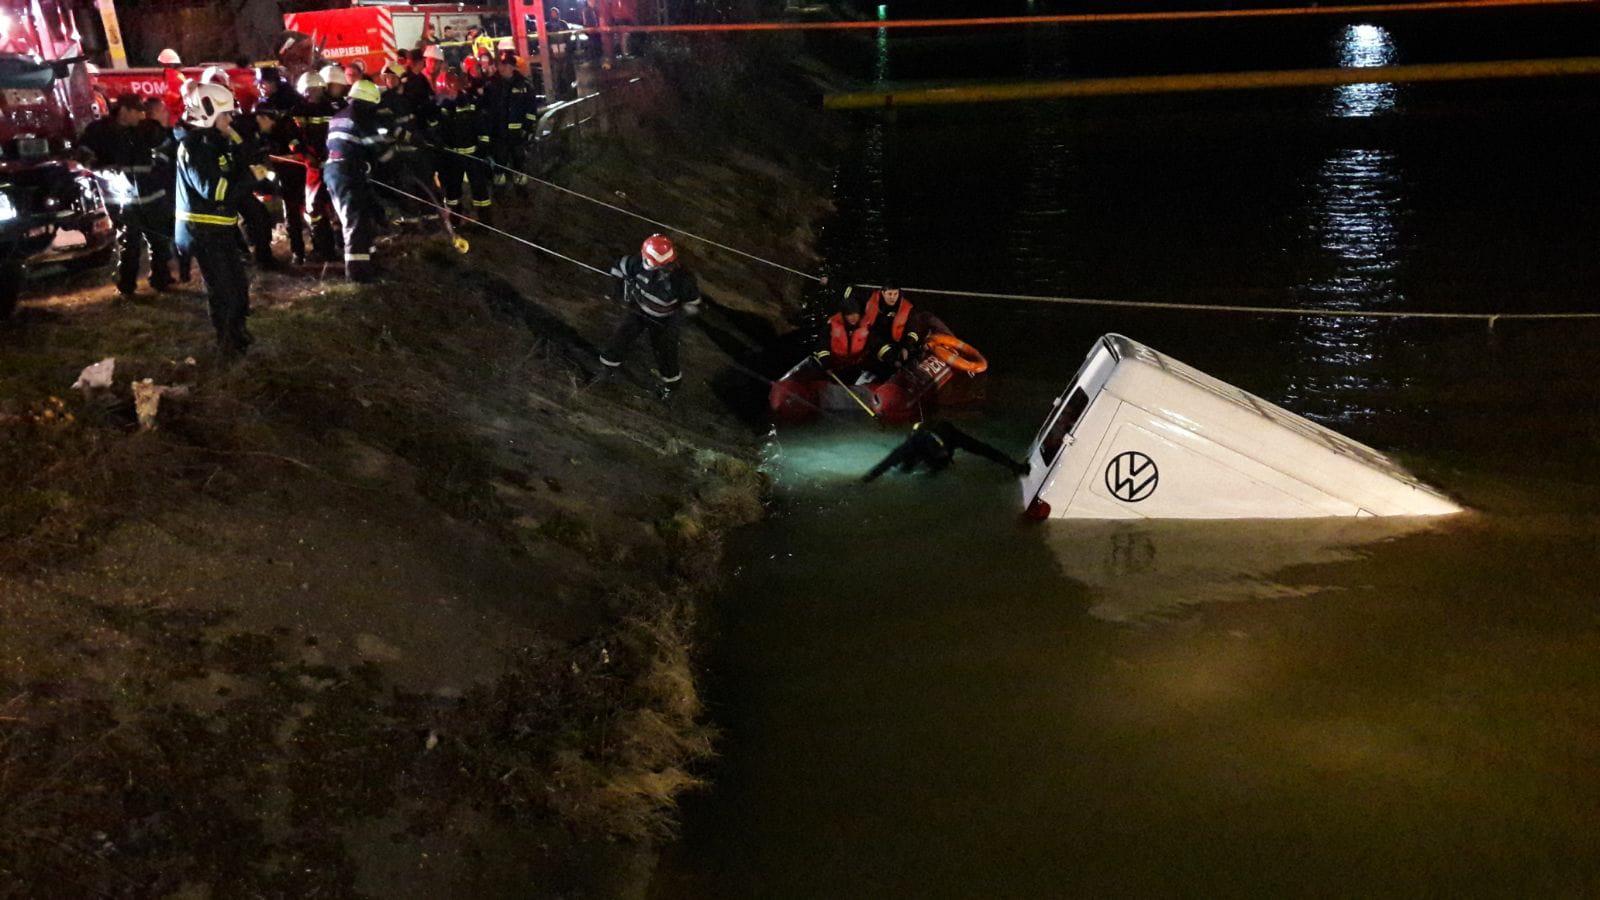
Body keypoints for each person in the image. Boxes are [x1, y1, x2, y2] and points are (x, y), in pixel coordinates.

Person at [174, 80, 252, 356]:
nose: (230, 120)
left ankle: (238, 333)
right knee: (223, 290)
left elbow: (237, 167)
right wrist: (250, 179)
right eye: (226, 114)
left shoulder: (214, 143)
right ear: (209, 114)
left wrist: (238, 144)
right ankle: (228, 344)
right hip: (202, 230)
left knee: (238, 286)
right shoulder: (195, 147)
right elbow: (215, 190)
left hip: (219, 228)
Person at [80, 95, 172, 297]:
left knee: (159, 240)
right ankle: (127, 285)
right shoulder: (99, 131)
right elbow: (83, 155)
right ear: (123, 110)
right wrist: (103, 170)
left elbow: (166, 146)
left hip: (151, 195)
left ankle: (161, 279)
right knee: (129, 242)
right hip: (121, 200)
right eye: (137, 112)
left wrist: (159, 167)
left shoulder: (147, 128)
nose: (142, 116)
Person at [595, 234, 702, 401]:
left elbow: (692, 304)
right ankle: (607, 368)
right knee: (620, 338)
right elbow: (619, 268)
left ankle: (671, 386)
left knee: (666, 353)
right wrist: (617, 292)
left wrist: (677, 321)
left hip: (665, 320)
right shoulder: (637, 262)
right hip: (638, 310)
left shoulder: (682, 279)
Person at [324, 79, 393, 283]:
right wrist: (395, 163)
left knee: (364, 215)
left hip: (338, 171)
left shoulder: (339, 116)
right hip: (347, 173)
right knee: (355, 221)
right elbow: (380, 151)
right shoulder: (361, 117)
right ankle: (358, 276)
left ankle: (368, 262)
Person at [425, 69, 494, 223]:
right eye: (443, 93)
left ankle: (485, 222)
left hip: (473, 154)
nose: (445, 96)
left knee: (479, 190)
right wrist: (438, 140)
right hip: (452, 156)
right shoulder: (442, 108)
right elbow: (436, 129)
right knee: (453, 191)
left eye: (447, 92)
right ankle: (455, 222)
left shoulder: (469, 103)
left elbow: (482, 125)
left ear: (454, 87)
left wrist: (483, 145)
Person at [863, 420, 1028, 482]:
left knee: (937, 469)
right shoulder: (913, 444)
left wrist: (1015, 466)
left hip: (937, 453)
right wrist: (869, 478)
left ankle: (935, 468)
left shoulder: (953, 436)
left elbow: (985, 450)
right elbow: (888, 461)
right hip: (920, 450)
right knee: (904, 468)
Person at [136, 97, 184, 284]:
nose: (167, 114)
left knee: (159, 236)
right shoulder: (155, 134)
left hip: (156, 192)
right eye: (163, 110)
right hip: (161, 191)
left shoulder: (142, 133)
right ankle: (163, 275)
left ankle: (162, 273)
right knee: (163, 234)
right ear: (154, 113)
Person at [293, 69, 340, 263]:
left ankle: (338, 246)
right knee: (315, 208)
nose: (312, 93)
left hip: (328, 164)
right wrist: (305, 154)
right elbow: (294, 138)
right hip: (312, 167)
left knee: (332, 206)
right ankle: (324, 248)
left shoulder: (331, 108)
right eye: (309, 90)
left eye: (316, 89)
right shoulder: (299, 110)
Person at [810, 290, 871, 372]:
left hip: (858, 364)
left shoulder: (866, 326)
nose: (854, 317)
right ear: (844, 315)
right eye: (849, 314)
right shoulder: (831, 325)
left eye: (856, 314)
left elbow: (873, 343)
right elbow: (823, 343)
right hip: (835, 363)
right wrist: (826, 362)